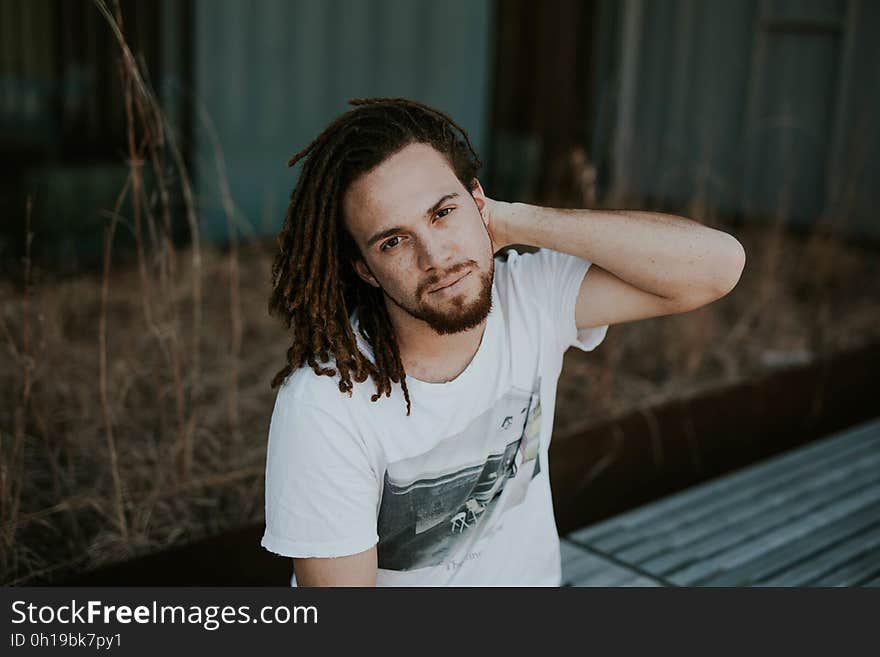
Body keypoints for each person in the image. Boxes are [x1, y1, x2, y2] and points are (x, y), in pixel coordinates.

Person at [261, 98, 745, 586]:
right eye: (394, 241)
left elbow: (717, 267)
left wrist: (516, 221)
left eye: (443, 213)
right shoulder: (325, 404)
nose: (436, 257)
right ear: (364, 268)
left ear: (478, 201)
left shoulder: (529, 297)